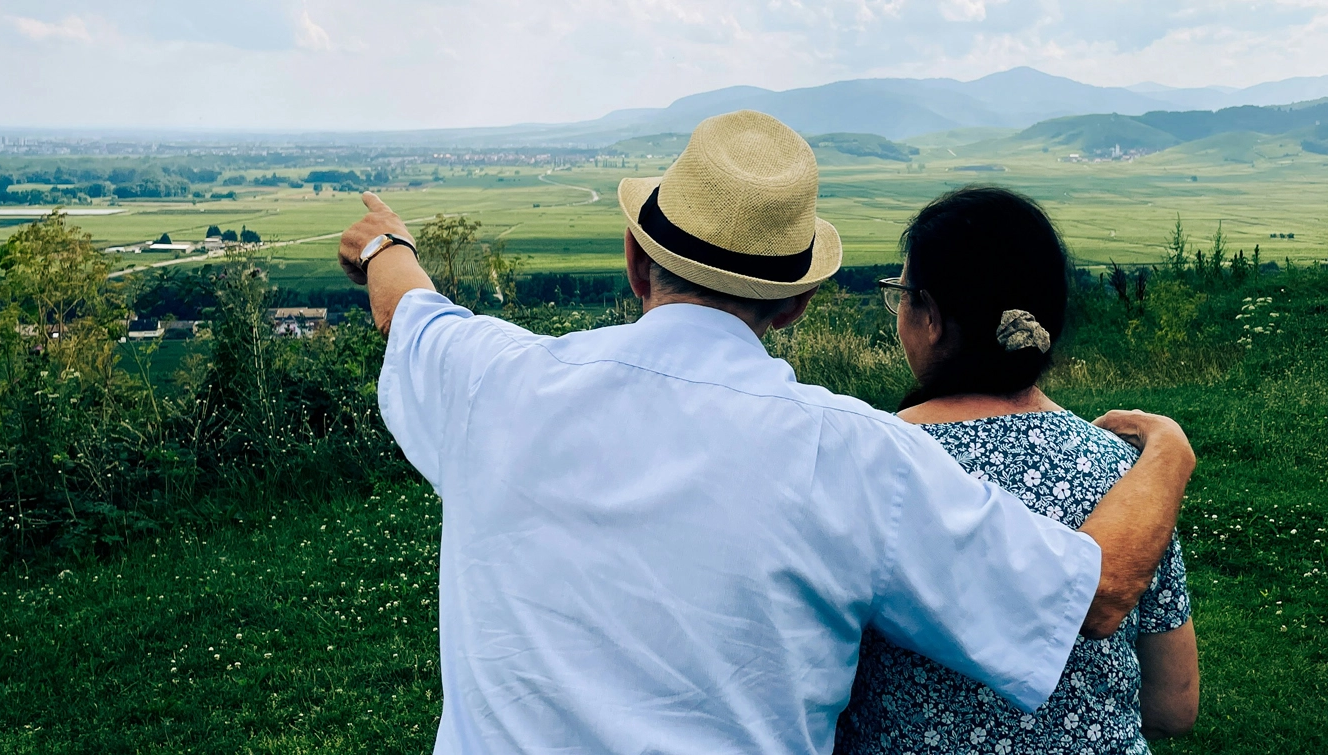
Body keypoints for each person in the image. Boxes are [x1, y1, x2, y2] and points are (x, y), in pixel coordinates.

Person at [335, 110, 1195, 754]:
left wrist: (386, 245)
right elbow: (1094, 594)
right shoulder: (854, 457)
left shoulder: (493, 377)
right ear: (794, 303)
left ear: (637, 260)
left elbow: (410, 308)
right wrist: (1168, 455)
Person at [836, 186, 1199, 754]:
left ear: (930, 317)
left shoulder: (870, 461)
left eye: (902, 295)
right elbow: (1173, 707)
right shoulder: (1136, 474)